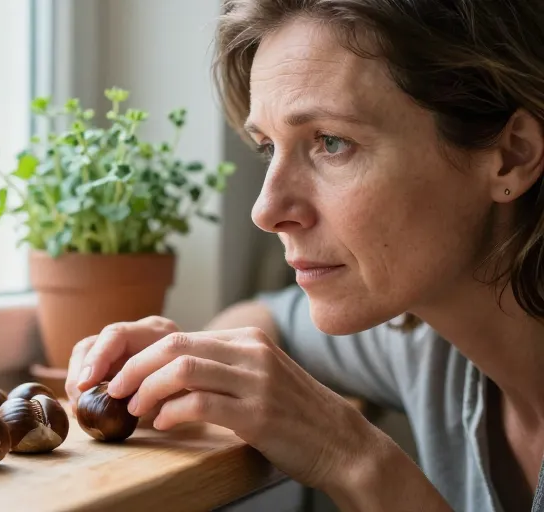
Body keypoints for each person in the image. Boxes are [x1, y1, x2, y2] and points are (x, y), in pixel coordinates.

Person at [64, 1, 544, 511]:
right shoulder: (431, 344)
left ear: (511, 155)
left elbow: (343, 443)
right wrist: (194, 357)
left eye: (331, 142)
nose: (266, 210)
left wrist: (352, 457)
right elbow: (272, 319)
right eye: (268, 147)